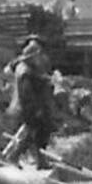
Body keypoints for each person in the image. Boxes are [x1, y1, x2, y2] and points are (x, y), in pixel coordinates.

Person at [4, 38, 56, 169]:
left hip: (36, 106)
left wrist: (45, 80)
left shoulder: (31, 68)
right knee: (29, 133)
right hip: (27, 108)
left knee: (42, 133)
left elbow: (38, 78)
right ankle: (14, 156)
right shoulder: (24, 71)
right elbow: (26, 93)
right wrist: (35, 109)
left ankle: (40, 160)